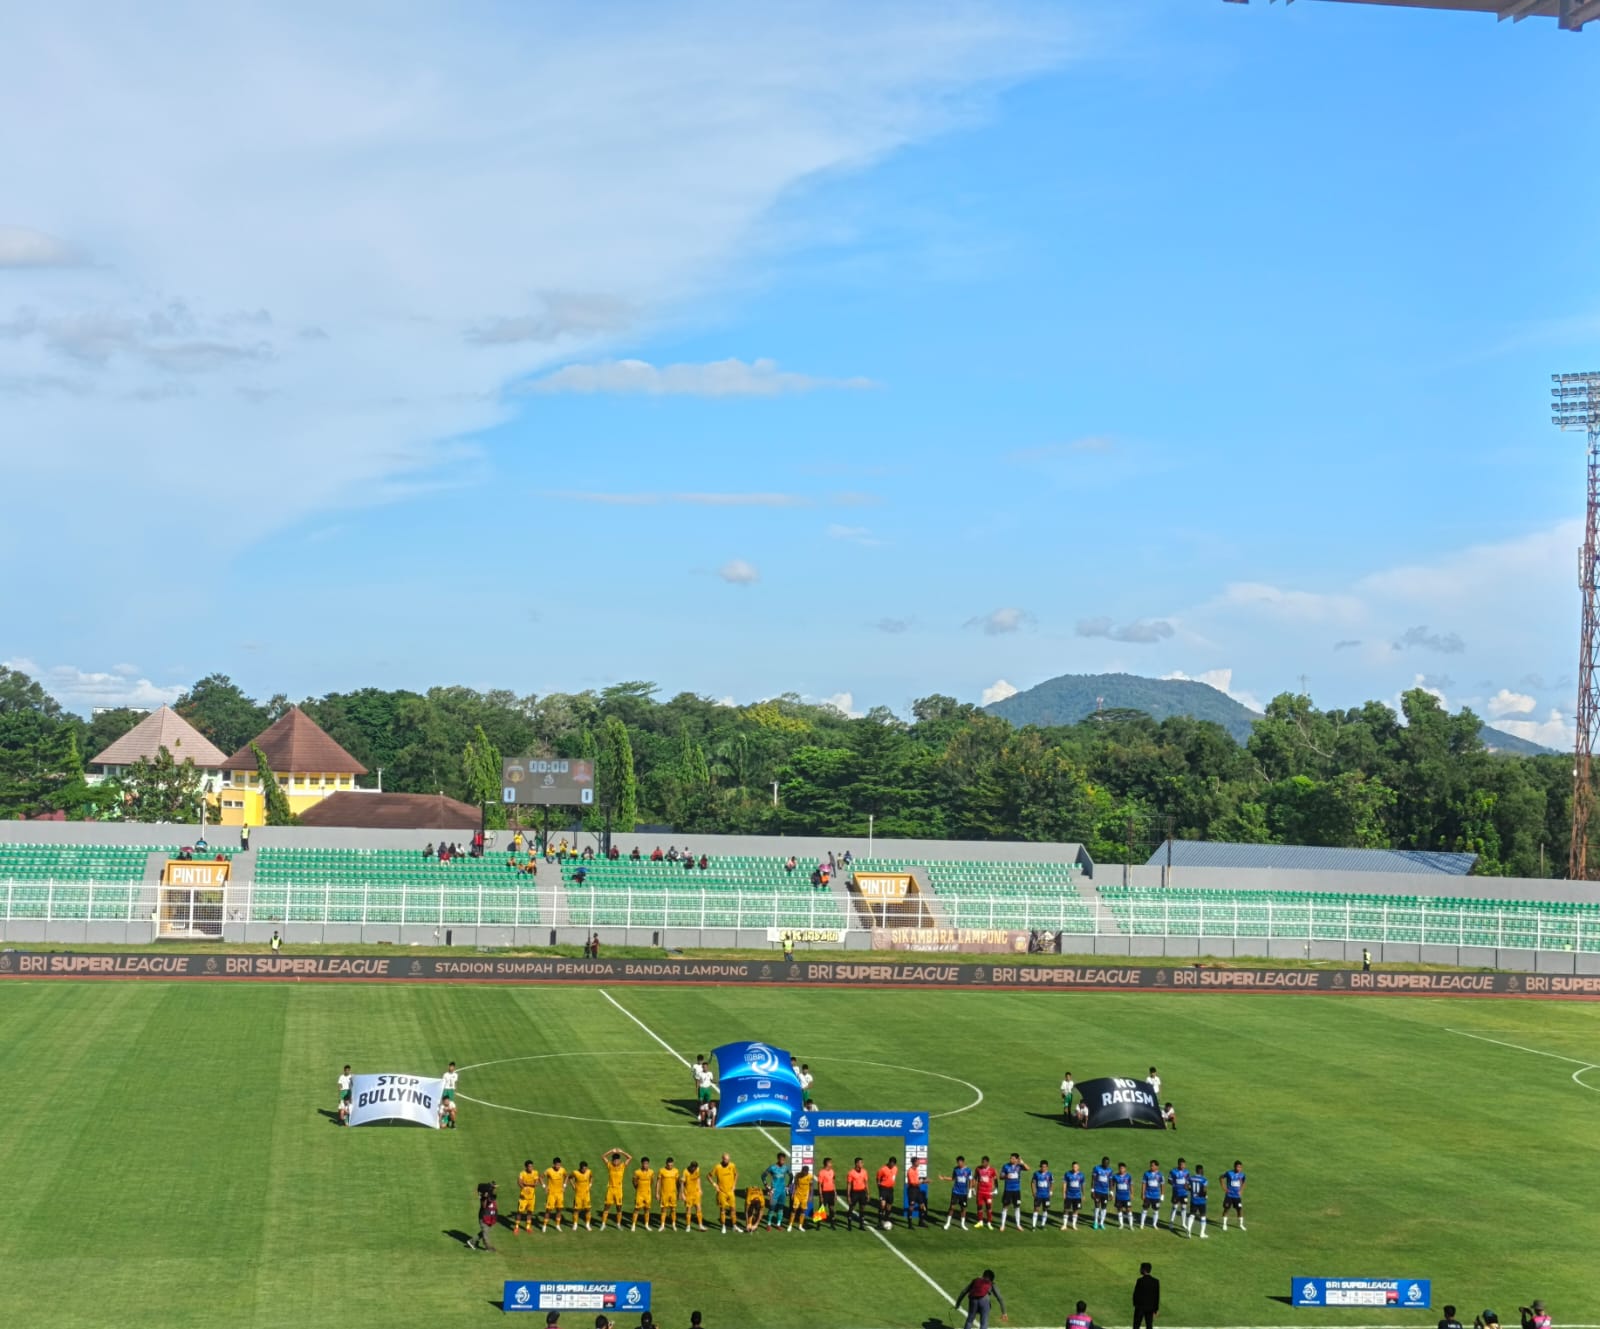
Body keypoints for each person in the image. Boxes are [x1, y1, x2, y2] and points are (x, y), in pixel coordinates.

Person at [600, 1148, 631, 1230]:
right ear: (612, 1160)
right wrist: (611, 1151)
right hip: (610, 1189)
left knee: (619, 1207)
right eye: (614, 1160)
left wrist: (622, 1152)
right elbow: (603, 1157)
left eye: (617, 1160)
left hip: (619, 1190)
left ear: (619, 1160)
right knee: (607, 1206)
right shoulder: (609, 1165)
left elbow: (630, 1158)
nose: (616, 1162)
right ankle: (603, 1224)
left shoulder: (622, 1166)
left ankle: (618, 1224)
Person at [942, 1155, 974, 1230]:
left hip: (963, 1193)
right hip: (955, 1191)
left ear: (963, 1162)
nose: (958, 1164)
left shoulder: (968, 1170)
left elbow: (970, 1181)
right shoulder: (955, 1169)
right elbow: (953, 1178)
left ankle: (962, 1224)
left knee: (963, 1208)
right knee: (952, 1207)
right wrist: (944, 1178)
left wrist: (970, 1191)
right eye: (957, 1162)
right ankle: (948, 1223)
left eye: (959, 1162)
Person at [999, 1153, 1026, 1232]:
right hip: (1008, 1190)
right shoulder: (1006, 1166)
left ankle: (1018, 1225)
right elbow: (1000, 1177)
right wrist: (1005, 1176)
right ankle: (1002, 1225)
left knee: (1017, 1207)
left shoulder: (1019, 1166)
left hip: (1016, 1190)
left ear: (1017, 1159)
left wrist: (1022, 1162)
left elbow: (1028, 1168)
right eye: (1010, 1158)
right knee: (1005, 1207)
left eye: (1013, 1158)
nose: (1011, 1159)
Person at [712, 1153, 738, 1233]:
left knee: (733, 1209)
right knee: (722, 1210)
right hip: (722, 1192)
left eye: (728, 1159)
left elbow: (736, 1174)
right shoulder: (717, 1167)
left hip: (730, 1192)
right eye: (726, 1159)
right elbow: (709, 1176)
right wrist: (714, 1184)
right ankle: (723, 1226)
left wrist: (734, 1185)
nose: (727, 1161)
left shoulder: (732, 1165)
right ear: (722, 1159)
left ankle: (734, 1226)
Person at [763, 1152, 790, 1230]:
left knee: (781, 1208)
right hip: (774, 1192)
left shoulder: (785, 1168)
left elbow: (791, 1176)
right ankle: (768, 1224)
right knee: (772, 1208)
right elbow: (763, 1176)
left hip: (782, 1192)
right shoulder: (772, 1168)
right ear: (778, 1159)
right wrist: (767, 1186)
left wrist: (788, 1186)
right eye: (781, 1160)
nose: (783, 1161)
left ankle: (778, 1224)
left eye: (784, 1160)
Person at [542, 1156, 568, 1232]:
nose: (558, 1166)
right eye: (557, 1165)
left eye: (559, 1165)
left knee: (559, 1210)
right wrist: (544, 1186)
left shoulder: (562, 1170)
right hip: (551, 1194)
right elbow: (540, 1177)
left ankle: (557, 1225)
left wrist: (564, 1186)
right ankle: (544, 1225)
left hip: (560, 1194)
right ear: (553, 1164)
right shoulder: (549, 1171)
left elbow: (567, 1176)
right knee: (548, 1210)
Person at [514, 1159, 540, 1234]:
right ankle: (516, 1227)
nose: (531, 1168)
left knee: (530, 1212)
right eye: (529, 1167)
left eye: (532, 1166)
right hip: (523, 1197)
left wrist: (525, 1183)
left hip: (532, 1197)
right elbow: (519, 1182)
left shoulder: (535, 1172)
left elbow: (536, 1184)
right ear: (526, 1167)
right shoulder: (522, 1173)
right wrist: (524, 1187)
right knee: (519, 1212)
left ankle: (528, 1227)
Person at [1133, 1262, 1160, 1329]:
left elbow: (1136, 1294)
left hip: (1140, 1307)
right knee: (1149, 1325)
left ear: (1144, 1270)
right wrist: (1155, 1310)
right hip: (1150, 1308)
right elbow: (1156, 1296)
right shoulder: (1156, 1281)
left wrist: (1135, 1305)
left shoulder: (1140, 1281)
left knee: (1136, 1325)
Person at [1221, 1160, 1246, 1231]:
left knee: (1239, 1210)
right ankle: (1224, 1224)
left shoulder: (1242, 1175)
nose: (1239, 1169)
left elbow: (1244, 1182)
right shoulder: (1229, 1173)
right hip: (1229, 1195)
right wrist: (1224, 1188)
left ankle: (1241, 1225)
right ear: (1234, 1167)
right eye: (1238, 1167)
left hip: (1237, 1196)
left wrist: (1241, 1190)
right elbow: (1221, 1178)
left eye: (1240, 1167)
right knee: (1226, 1209)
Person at [631, 1156, 654, 1231]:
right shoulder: (637, 1172)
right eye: (644, 1164)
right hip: (639, 1194)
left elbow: (652, 1181)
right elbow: (634, 1182)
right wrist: (637, 1189)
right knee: (637, 1209)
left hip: (647, 1194)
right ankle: (633, 1225)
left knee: (647, 1209)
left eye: (647, 1164)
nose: (645, 1165)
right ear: (641, 1164)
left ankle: (646, 1225)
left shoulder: (651, 1172)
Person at [974, 1155, 998, 1229]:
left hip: (988, 1192)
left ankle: (989, 1222)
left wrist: (996, 1188)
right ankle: (980, 1221)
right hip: (980, 1191)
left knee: (989, 1207)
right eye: (982, 1162)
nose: (982, 1163)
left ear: (987, 1162)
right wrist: (972, 1188)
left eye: (984, 1162)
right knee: (979, 1206)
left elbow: (995, 1179)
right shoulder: (978, 1169)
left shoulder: (992, 1170)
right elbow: (975, 1178)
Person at [846, 1157, 870, 1230]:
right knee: (851, 1208)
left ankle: (861, 1225)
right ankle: (849, 1224)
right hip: (854, 1192)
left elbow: (866, 1183)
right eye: (861, 1163)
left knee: (862, 1208)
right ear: (856, 1163)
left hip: (862, 1192)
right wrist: (848, 1196)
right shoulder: (851, 1173)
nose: (862, 1164)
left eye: (862, 1163)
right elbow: (849, 1184)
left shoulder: (864, 1172)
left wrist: (868, 1193)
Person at [657, 1156, 680, 1230]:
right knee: (664, 1209)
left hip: (673, 1193)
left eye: (671, 1165)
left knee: (673, 1209)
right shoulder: (661, 1171)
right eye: (669, 1165)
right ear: (666, 1164)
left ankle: (673, 1225)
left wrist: (679, 1192)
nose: (670, 1166)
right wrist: (657, 1193)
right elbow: (658, 1182)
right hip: (664, 1193)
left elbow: (678, 1182)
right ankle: (662, 1225)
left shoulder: (676, 1171)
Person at [1030, 1158, 1054, 1229]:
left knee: (1045, 1209)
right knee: (1036, 1209)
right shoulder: (1036, 1174)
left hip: (1046, 1195)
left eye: (1045, 1167)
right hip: (1038, 1195)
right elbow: (1033, 1183)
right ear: (1040, 1166)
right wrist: (1034, 1192)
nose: (1043, 1168)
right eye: (1042, 1167)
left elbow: (1052, 1183)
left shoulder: (1049, 1174)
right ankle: (1033, 1226)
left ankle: (1043, 1225)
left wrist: (1051, 1191)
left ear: (1047, 1167)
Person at [788, 1164, 813, 1231]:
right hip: (797, 1195)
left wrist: (810, 1196)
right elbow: (795, 1185)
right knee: (794, 1209)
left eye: (806, 1172)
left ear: (807, 1171)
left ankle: (800, 1226)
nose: (804, 1173)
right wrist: (793, 1193)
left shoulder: (810, 1176)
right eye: (803, 1172)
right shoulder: (798, 1175)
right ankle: (790, 1225)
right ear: (802, 1171)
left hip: (805, 1196)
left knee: (803, 1210)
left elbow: (811, 1186)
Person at [474, 1181, 499, 1251]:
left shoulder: (490, 1195)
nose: (495, 1189)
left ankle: (472, 1241)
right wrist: (485, 1198)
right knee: (485, 1232)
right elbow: (484, 1206)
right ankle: (488, 1247)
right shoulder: (484, 1197)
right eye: (494, 1188)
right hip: (483, 1217)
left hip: (489, 1217)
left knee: (485, 1231)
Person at [1091, 1156, 1113, 1230]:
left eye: (1108, 1163)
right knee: (1097, 1206)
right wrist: (1092, 1191)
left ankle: (1102, 1223)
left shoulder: (1110, 1171)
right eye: (1105, 1162)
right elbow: (1093, 1180)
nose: (1107, 1164)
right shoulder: (1096, 1168)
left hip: (1105, 1192)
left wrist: (1111, 1192)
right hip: (1097, 1191)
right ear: (1102, 1162)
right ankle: (1095, 1222)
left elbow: (1110, 1182)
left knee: (1104, 1207)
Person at [1061, 1160, 1085, 1230]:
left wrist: (1083, 1195)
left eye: (1076, 1167)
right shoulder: (1067, 1174)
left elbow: (1082, 1185)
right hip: (1069, 1195)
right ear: (1072, 1167)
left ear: (1078, 1167)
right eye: (1073, 1166)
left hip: (1077, 1196)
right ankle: (1064, 1225)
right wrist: (1064, 1193)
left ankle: (1074, 1225)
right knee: (1066, 1209)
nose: (1075, 1168)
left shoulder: (1081, 1175)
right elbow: (1064, 1184)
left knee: (1076, 1210)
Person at [875, 1155, 898, 1229]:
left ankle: (886, 1219)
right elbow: (878, 1179)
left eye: (894, 1164)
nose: (892, 1166)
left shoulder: (895, 1169)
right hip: (883, 1188)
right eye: (891, 1164)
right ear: (889, 1162)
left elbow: (893, 1178)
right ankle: (879, 1221)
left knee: (889, 1206)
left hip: (890, 1189)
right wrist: (880, 1188)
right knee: (882, 1205)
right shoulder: (882, 1169)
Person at [1167, 1158, 1190, 1232]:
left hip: (1184, 1193)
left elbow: (1188, 1181)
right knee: (1175, 1207)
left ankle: (1183, 1223)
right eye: (1182, 1165)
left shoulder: (1186, 1172)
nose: (1183, 1166)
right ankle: (1171, 1222)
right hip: (1176, 1193)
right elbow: (1169, 1180)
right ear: (1178, 1164)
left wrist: (1187, 1186)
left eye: (1184, 1164)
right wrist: (1175, 1185)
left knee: (1184, 1207)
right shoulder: (1173, 1171)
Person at [1140, 1159, 1163, 1229]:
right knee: (1145, 1209)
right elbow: (1144, 1184)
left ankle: (1154, 1224)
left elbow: (1162, 1185)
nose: (1151, 1167)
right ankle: (1142, 1223)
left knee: (1156, 1210)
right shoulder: (1146, 1174)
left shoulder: (1160, 1175)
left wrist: (1162, 1195)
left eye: (1152, 1166)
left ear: (1157, 1166)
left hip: (1156, 1196)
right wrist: (1142, 1193)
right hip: (1148, 1195)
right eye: (1150, 1165)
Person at [683, 1159, 705, 1231]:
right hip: (688, 1194)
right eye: (693, 1168)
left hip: (696, 1193)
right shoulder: (685, 1172)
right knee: (688, 1209)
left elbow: (698, 1178)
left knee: (698, 1208)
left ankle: (700, 1225)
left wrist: (700, 1189)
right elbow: (682, 1183)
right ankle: (688, 1226)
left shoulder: (697, 1170)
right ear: (691, 1167)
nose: (694, 1169)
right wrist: (682, 1194)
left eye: (695, 1168)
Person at [903, 1157, 925, 1228]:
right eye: (918, 1162)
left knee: (922, 1205)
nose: (919, 1163)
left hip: (917, 1190)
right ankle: (910, 1224)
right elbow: (913, 1183)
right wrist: (922, 1182)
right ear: (914, 1162)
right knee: (911, 1207)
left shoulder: (916, 1170)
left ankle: (921, 1222)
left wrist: (922, 1180)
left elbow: (916, 1180)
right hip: (912, 1190)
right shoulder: (910, 1171)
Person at [816, 1156, 837, 1228]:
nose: (831, 1164)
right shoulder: (821, 1172)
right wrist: (821, 1195)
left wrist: (835, 1193)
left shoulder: (832, 1171)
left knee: (832, 1208)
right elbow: (819, 1185)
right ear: (827, 1163)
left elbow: (833, 1182)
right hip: (824, 1193)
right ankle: (818, 1224)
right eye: (830, 1163)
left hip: (831, 1192)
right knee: (821, 1209)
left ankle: (832, 1224)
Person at [572, 1160, 594, 1230]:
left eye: (586, 1168)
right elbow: (569, 1178)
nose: (585, 1170)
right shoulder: (575, 1173)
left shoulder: (589, 1171)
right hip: (578, 1195)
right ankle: (575, 1224)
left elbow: (591, 1177)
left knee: (588, 1209)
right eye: (583, 1169)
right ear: (580, 1168)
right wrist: (573, 1186)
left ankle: (587, 1225)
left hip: (586, 1195)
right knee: (576, 1210)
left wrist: (590, 1184)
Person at [1113, 1163, 1134, 1229]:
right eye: (1120, 1168)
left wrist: (1132, 1193)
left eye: (1122, 1168)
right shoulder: (1115, 1176)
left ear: (1125, 1169)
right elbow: (1112, 1185)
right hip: (1119, 1197)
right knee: (1119, 1210)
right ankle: (1121, 1224)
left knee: (1129, 1210)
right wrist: (1112, 1193)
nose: (1121, 1169)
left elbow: (1131, 1185)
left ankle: (1131, 1225)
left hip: (1126, 1197)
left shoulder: (1128, 1176)